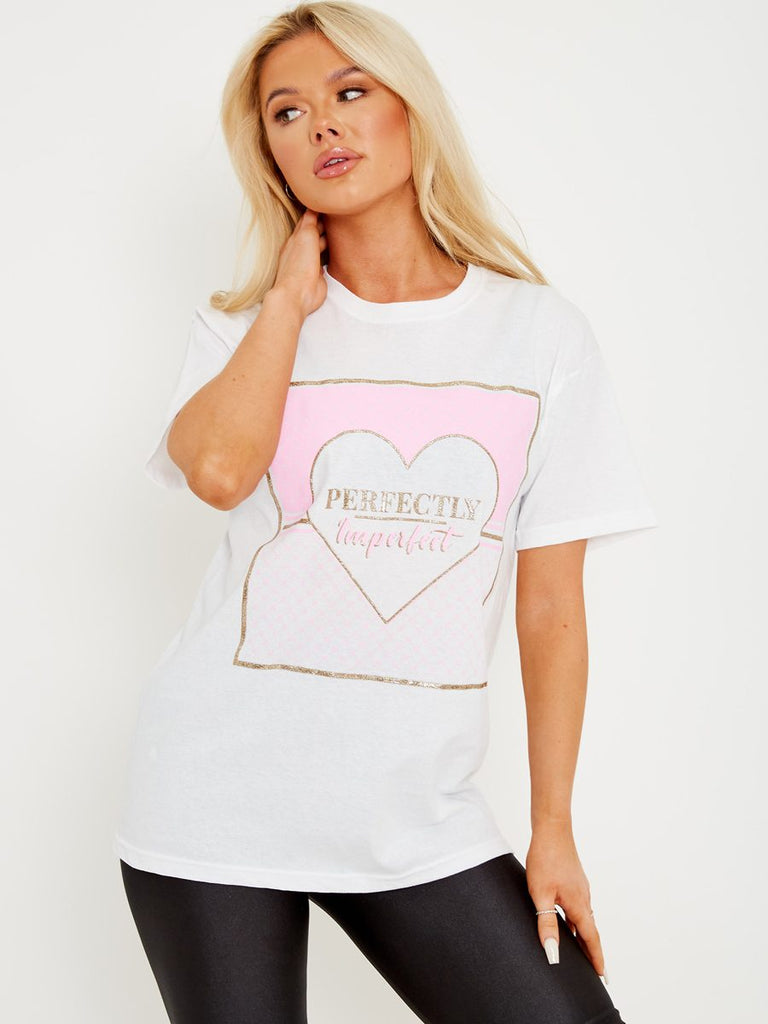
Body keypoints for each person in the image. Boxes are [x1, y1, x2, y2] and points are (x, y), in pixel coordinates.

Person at [113, 3, 658, 1021]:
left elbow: (550, 606)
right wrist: (287, 304)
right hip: (213, 800)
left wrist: (552, 827)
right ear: (270, 154)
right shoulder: (243, 330)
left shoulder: (539, 335)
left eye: (350, 91)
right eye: (287, 112)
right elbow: (221, 471)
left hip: (415, 817)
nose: (321, 123)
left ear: (411, 111)